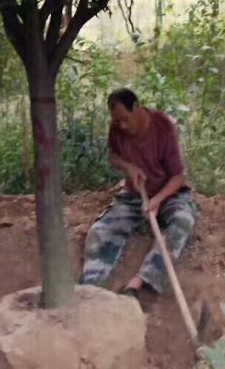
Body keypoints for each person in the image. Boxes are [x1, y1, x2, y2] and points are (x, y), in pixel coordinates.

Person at [79, 87, 197, 298]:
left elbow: (178, 177)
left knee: (183, 221)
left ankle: (140, 282)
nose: (122, 126)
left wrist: (158, 200)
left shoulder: (163, 127)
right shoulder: (117, 127)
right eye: (117, 122)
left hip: (168, 194)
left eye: (125, 119)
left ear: (136, 107)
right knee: (99, 231)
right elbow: (113, 156)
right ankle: (90, 290)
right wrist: (129, 168)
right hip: (134, 195)